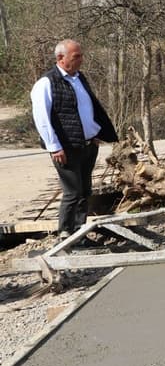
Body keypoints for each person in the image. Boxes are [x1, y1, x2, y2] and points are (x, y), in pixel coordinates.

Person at [30, 39, 118, 238]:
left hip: (87, 145)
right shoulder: (47, 83)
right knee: (72, 192)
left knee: (85, 191)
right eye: (76, 57)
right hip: (66, 147)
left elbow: (89, 108)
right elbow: (42, 118)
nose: (81, 60)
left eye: (81, 55)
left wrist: (96, 133)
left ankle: (79, 233)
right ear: (61, 58)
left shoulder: (79, 78)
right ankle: (66, 234)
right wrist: (54, 147)